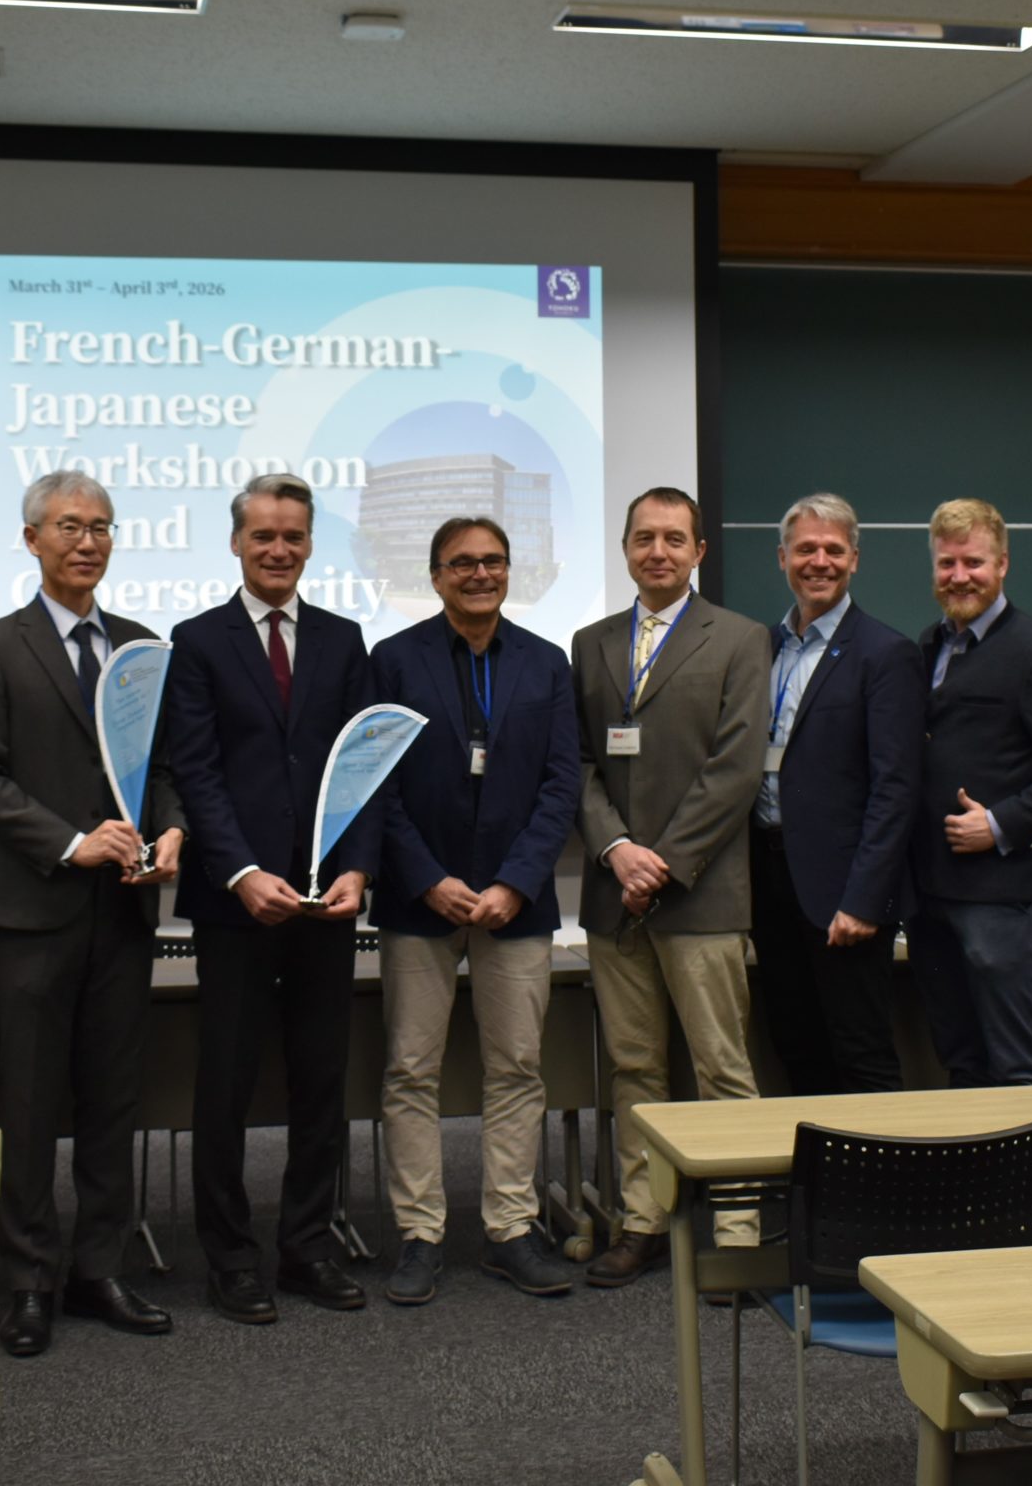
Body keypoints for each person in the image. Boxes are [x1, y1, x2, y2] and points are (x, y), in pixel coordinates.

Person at [0, 472, 185, 1356]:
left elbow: (162, 768)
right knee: (28, 1103)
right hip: (32, 914)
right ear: (30, 540)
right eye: (68, 527)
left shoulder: (140, 647)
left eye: (100, 528)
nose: (86, 542)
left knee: (111, 1102)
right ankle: (25, 1283)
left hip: (124, 914)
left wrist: (172, 831)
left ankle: (100, 1268)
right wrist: (69, 842)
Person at [163, 473, 383, 1324]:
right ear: (236, 544)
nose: (279, 550)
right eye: (264, 537)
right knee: (224, 1085)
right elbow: (197, 774)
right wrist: (241, 874)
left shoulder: (342, 638)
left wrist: (359, 867)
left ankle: (308, 1248)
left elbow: (365, 767)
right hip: (236, 905)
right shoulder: (198, 640)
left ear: (310, 544)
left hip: (327, 905)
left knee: (321, 1084)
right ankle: (230, 1258)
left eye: (293, 536)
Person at [370, 516, 581, 1306]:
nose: (480, 574)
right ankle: (419, 1234)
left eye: (493, 561)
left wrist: (516, 882)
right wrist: (427, 878)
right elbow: (377, 783)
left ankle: (510, 1230)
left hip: (515, 904)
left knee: (518, 1068)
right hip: (419, 902)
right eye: (463, 563)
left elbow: (563, 783)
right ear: (435, 576)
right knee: (410, 1071)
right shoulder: (393, 660)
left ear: (509, 572)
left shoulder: (546, 663)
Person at [570, 487, 768, 1287]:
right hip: (615, 895)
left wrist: (664, 862)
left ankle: (741, 1227)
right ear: (625, 549)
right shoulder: (591, 643)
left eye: (674, 539)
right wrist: (618, 850)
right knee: (634, 1067)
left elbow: (736, 767)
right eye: (644, 538)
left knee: (721, 1066)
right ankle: (643, 1217)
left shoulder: (742, 638)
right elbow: (577, 763)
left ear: (698, 552)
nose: (659, 551)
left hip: (702, 892)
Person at [906, 498, 1032, 1089]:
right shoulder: (929, 645)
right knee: (960, 1057)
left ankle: (1024, 1184)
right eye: (947, 564)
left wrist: (999, 824)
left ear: (1003, 565)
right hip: (933, 891)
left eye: (973, 562)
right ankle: (975, 1183)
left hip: (1004, 894)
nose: (959, 576)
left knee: (1013, 1065)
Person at [748, 492, 923, 1096]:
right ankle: (818, 1188)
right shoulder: (759, 648)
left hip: (844, 894)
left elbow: (895, 788)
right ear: (781, 558)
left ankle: (879, 1189)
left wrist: (866, 900)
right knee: (795, 1045)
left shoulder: (885, 653)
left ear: (854, 560)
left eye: (832, 550)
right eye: (805, 549)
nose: (818, 561)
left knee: (861, 1052)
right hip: (769, 884)